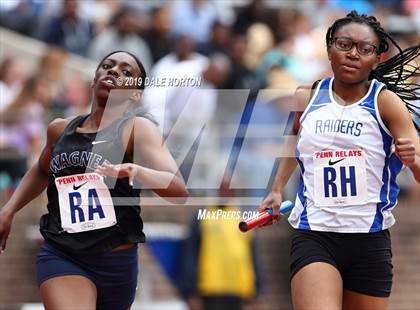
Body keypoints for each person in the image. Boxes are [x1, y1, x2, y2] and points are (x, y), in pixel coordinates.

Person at [0, 51, 188, 309]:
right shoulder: (59, 129)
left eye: (126, 72)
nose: (114, 72)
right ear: (94, 79)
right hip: (62, 252)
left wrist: (137, 170)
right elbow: (42, 170)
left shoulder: (137, 129)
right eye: (107, 66)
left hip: (116, 262)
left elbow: (178, 188)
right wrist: (9, 209)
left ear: (136, 93)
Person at [258, 11, 420, 310]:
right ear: (329, 47)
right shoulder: (307, 95)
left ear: (377, 58)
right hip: (315, 233)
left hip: (369, 239)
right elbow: (293, 141)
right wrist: (277, 187)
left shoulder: (386, 103)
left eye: (365, 49)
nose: (353, 54)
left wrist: (412, 162)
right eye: (344, 44)